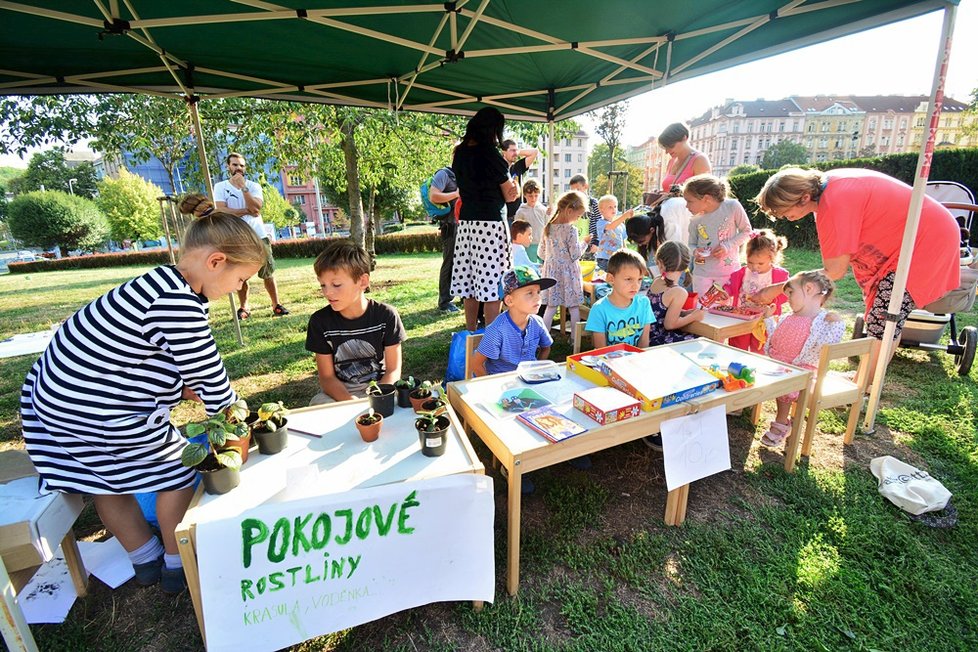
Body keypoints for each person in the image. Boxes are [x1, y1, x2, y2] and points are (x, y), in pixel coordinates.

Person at [21, 212, 266, 594]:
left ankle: (144, 558)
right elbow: (208, 375)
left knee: (107, 482)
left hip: (57, 401)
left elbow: (146, 356)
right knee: (179, 472)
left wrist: (179, 386)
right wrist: (237, 418)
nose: (239, 287)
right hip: (101, 408)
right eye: (241, 279)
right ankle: (176, 562)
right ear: (217, 261)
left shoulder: (157, 284)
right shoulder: (178, 303)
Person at [751, 167, 961, 381]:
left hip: (926, 242)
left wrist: (776, 290)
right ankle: (865, 379)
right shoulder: (829, 188)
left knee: (885, 319)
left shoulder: (835, 202)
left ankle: (861, 388)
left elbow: (834, 271)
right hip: (925, 235)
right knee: (886, 318)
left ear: (804, 197)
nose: (782, 217)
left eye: (783, 211)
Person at [306, 239, 406, 404]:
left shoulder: (387, 315)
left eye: (336, 284)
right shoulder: (319, 322)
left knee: (407, 398)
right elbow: (327, 377)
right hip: (341, 392)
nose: (327, 292)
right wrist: (350, 402)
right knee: (317, 403)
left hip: (383, 387)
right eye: (323, 285)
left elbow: (393, 370)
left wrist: (377, 397)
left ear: (363, 281)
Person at [451, 108, 519, 331]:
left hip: (467, 224)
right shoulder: (491, 155)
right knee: (493, 284)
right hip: (490, 225)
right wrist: (515, 190)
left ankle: (471, 333)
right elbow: (509, 195)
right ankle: (491, 336)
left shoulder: (459, 152)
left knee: (470, 283)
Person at [759, 271, 845, 448]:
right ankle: (783, 421)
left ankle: (782, 423)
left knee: (787, 386)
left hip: (803, 370)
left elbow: (825, 347)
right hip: (781, 364)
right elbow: (775, 336)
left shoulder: (822, 321)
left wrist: (837, 324)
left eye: (791, 293)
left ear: (808, 288)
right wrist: (768, 319)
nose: (788, 298)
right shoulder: (788, 317)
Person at [214, 152, 289, 319]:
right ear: (228, 167)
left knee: (268, 271)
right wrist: (245, 211)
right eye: (235, 165)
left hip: (258, 236)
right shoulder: (220, 187)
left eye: (241, 165)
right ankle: (244, 307)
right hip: (235, 238)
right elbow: (221, 210)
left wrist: (244, 188)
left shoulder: (253, 186)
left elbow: (255, 209)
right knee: (239, 274)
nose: (238, 168)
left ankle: (276, 304)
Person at [471, 266, 554, 377]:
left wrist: (536, 370)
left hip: (528, 380)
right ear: (509, 300)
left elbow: (546, 348)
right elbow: (476, 364)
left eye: (538, 292)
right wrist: (490, 387)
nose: (537, 298)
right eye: (530, 293)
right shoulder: (497, 330)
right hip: (502, 384)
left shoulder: (537, 322)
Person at [684, 174, 753, 298]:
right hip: (702, 274)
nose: (686, 206)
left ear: (706, 198)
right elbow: (691, 244)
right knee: (702, 309)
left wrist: (727, 246)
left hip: (728, 273)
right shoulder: (695, 219)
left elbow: (746, 231)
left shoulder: (732, 207)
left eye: (689, 201)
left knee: (723, 309)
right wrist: (695, 251)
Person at [724, 229, 790, 352]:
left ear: (772, 258)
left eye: (760, 263)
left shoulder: (779, 275)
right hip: (741, 317)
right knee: (737, 347)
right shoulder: (742, 273)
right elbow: (731, 286)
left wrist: (772, 300)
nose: (755, 267)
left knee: (760, 348)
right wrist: (725, 292)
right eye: (750, 262)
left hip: (764, 320)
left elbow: (786, 294)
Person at [539, 190, 593, 338]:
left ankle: (542, 338)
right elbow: (575, 254)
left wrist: (553, 259)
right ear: (569, 211)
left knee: (550, 307)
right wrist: (585, 243)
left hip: (551, 273)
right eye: (578, 215)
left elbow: (541, 253)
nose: (578, 219)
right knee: (574, 307)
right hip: (569, 274)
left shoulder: (548, 227)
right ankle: (575, 339)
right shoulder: (571, 230)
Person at [585, 249, 654, 348]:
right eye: (629, 279)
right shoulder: (599, 309)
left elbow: (644, 343)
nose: (636, 286)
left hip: (636, 360)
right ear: (611, 279)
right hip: (609, 361)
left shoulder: (644, 304)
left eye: (639, 279)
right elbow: (601, 350)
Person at [646, 241, 705, 347]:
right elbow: (669, 324)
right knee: (702, 341)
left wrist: (684, 313)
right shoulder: (679, 292)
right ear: (685, 265)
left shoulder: (657, 280)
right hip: (658, 339)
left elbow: (661, 311)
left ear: (659, 263)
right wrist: (693, 316)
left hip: (646, 336)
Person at [427, 167, 461, 312]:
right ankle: (445, 301)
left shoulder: (464, 174)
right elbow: (433, 196)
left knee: (462, 263)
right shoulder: (444, 174)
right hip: (450, 226)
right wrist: (456, 194)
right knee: (450, 263)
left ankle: (463, 296)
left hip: (464, 226)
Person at [594, 194, 635, 271]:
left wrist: (626, 254)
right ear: (601, 210)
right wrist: (624, 216)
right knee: (609, 277)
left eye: (615, 206)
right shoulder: (601, 223)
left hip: (618, 258)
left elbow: (623, 241)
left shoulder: (621, 225)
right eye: (610, 207)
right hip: (605, 258)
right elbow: (610, 227)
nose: (614, 209)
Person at [501, 139, 538, 223]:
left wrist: (517, 151)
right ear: (504, 151)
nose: (515, 153)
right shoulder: (498, 168)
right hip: (503, 217)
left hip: (518, 216)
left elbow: (534, 152)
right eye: (512, 150)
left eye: (516, 150)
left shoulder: (518, 166)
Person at [514, 179, 547, 262]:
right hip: (528, 245)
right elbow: (517, 230)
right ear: (525, 195)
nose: (533, 198)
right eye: (530, 196)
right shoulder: (521, 211)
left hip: (541, 244)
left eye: (536, 195)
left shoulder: (543, 210)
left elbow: (548, 225)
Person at [569, 174, 602, 251]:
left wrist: (597, 242)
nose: (575, 193)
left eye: (578, 189)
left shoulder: (593, 203)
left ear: (586, 186)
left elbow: (600, 223)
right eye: (572, 191)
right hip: (574, 244)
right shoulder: (571, 205)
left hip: (590, 245)